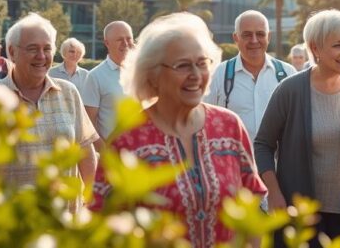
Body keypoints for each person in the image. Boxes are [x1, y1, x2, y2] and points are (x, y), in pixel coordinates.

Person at [90, 13, 266, 247]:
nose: (195, 75)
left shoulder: (229, 126)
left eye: (202, 63)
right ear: (153, 75)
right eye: (183, 65)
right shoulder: (128, 141)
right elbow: (102, 226)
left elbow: (250, 211)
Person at [255, 10, 340, 246]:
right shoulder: (290, 90)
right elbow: (263, 145)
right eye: (338, 45)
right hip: (302, 213)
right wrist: (274, 194)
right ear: (315, 48)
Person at [0, 14, 98, 209]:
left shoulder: (69, 93)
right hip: (11, 223)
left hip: (65, 224)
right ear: (12, 52)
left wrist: (93, 202)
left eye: (47, 49)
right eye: (32, 49)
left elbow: (85, 151)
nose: (41, 56)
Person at [205, 10, 296, 140]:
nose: (254, 40)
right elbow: (206, 121)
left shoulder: (287, 73)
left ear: (268, 37)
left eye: (260, 34)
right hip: (234, 159)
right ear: (236, 38)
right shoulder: (220, 74)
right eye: (247, 35)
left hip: (279, 161)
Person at [82, 21, 134, 149]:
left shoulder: (142, 72)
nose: (126, 43)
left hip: (143, 155)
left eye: (129, 38)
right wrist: (106, 155)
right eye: (119, 40)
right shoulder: (94, 76)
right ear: (106, 43)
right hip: (114, 156)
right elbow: (88, 124)